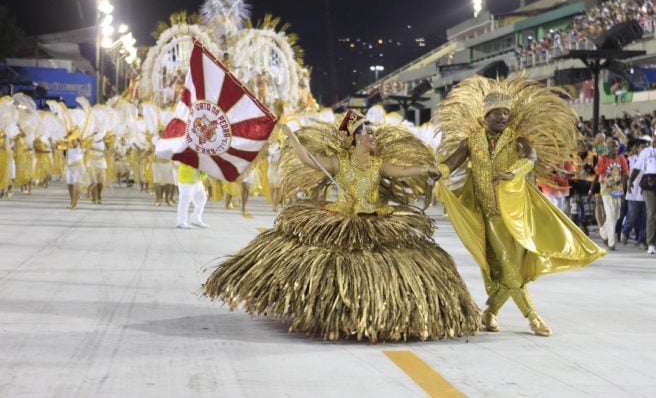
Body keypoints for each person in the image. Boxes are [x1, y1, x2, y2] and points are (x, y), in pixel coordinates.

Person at [202, 111, 482, 343]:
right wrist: (290, 136)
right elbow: (307, 160)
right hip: (342, 221)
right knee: (334, 268)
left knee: (382, 269)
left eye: (375, 134)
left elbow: (403, 171)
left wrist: (426, 170)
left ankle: (379, 315)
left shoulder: (378, 164)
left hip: (375, 221)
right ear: (356, 138)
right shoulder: (339, 162)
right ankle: (331, 315)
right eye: (369, 133)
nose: (374, 137)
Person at [434, 75, 606, 337]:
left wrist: (513, 173)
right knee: (499, 267)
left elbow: (531, 158)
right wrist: (436, 172)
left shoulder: (517, 139)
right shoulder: (471, 141)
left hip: (515, 212)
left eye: (506, 113)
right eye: (497, 113)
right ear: (485, 116)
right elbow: (451, 163)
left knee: (511, 269)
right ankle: (508, 314)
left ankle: (507, 314)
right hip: (487, 215)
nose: (502, 117)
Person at [589, 137, 629, 250]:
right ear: (608, 148)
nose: (614, 148)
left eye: (616, 146)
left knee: (616, 216)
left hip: (618, 190)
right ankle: (611, 242)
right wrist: (591, 190)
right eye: (612, 146)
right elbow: (597, 175)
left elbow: (625, 176)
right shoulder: (603, 159)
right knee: (610, 214)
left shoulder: (622, 159)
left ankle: (603, 231)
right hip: (605, 189)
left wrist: (624, 192)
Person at [627, 134, 656, 254]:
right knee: (651, 214)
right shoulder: (646, 152)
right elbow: (637, 168)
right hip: (650, 183)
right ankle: (651, 243)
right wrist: (630, 182)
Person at [176, 162, 208, 229]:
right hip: (186, 180)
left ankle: (196, 218)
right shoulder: (182, 152)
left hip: (198, 180)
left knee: (202, 199)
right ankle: (181, 222)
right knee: (185, 201)